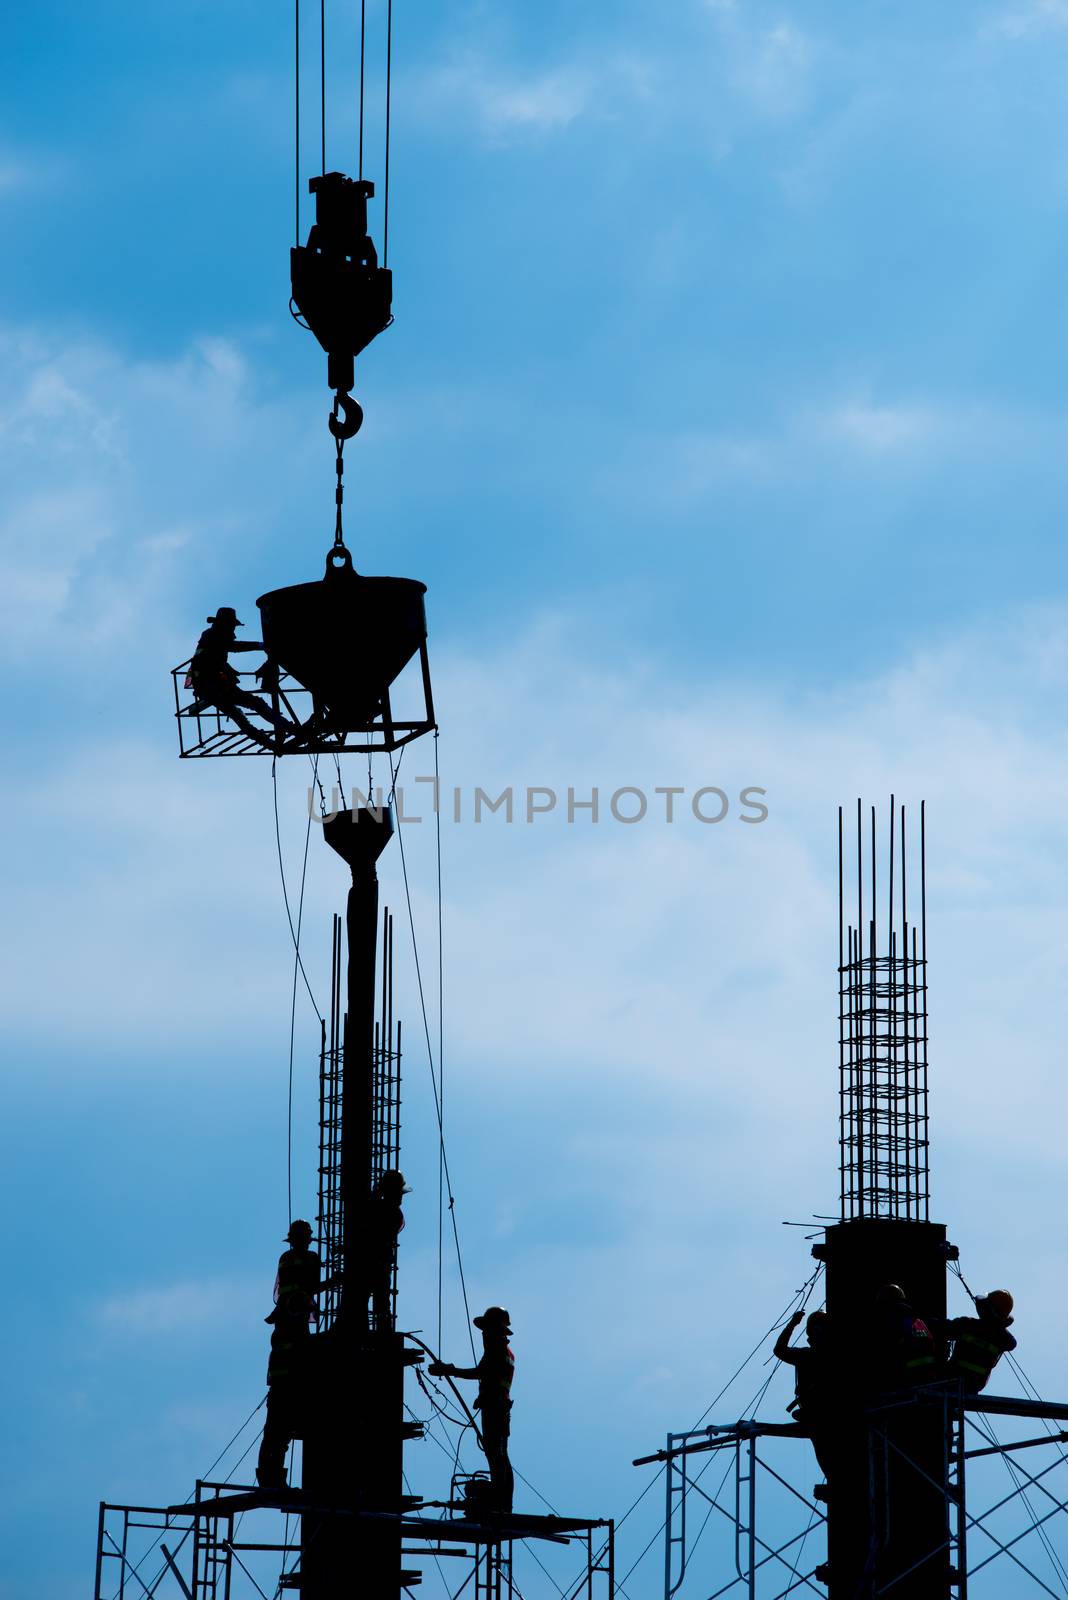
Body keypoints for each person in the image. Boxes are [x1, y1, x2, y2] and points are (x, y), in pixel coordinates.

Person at [256, 1220, 323, 1489]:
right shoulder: (293, 1335)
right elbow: (311, 1286)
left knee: (276, 1433)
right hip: (288, 1386)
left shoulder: (281, 1332)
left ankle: (270, 1478)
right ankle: (272, 1479)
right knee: (279, 1433)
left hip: (281, 1386)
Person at [429, 1306, 515, 1513]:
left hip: (496, 1409)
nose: (484, 1334)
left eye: (487, 1329)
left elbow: (480, 1372)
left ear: (497, 1330)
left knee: (497, 1454)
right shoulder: (500, 1351)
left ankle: (500, 1500)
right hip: (495, 1407)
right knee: (497, 1454)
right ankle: (500, 1498)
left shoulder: (498, 1351)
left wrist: (450, 1370)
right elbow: (490, 1377)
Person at [186, 607, 292, 747]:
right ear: (225, 624)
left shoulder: (211, 636)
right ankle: (285, 730)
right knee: (250, 707)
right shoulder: (214, 636)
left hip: (210, 686)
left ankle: (274, 738)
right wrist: (260, 645)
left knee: (240, 714)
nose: (233, 630)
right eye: (232, 626)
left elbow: (213, 658)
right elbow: (233, 647)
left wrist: (228, 669)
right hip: (213, 686)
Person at [775, 1309, 835, 1479]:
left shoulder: (834, 1357)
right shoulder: (805, 1356)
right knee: (823, 1449)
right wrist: (792, 1325)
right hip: (815, 1412)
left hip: (829, 1411)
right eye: (817, 1329)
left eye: (823, 1328)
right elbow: (779, 1350)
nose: (820, 1333)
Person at [359, 1169, 411, 1331]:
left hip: (374, 1262)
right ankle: (379, 1329)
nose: (401, 1198)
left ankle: (375, 1328)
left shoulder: (380, 1210)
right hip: (377, 1263)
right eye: (398, 1193)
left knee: (374, 1300)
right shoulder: (390, 1212)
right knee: (378, 1301)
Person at [944, 1290, 1017, 1394]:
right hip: (973, 1387)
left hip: (949, 1381)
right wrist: (998, 1325)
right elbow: (1011, 1343)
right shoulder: (1003, 1339)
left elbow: (941, 1328)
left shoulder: (967, 1325)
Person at [870, 1283, 938, 1391]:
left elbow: (889, 1344)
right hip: (929, 1376)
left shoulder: (892, 1317)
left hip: (907, 1376)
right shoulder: (917, 1319)